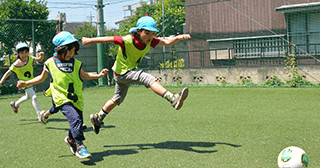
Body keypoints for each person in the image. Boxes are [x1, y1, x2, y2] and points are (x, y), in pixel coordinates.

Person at [82, 15, 191, 135]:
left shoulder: (151, 41)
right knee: (148, 78)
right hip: (123, 72)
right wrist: (89, 40)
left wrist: (180, 37)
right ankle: (173, 98)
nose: (150, 36)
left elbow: (167, 42)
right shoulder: (127, 40)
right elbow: (107, 39)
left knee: (117, 99)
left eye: (153, 33)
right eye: (147, 33)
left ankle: (98, 118)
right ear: (139, 31)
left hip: (123, 74)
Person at [17, 31, 108, 159]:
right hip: (61, 97)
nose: (71, 54)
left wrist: (98, 75)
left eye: (73, 51)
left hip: (75, 97)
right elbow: (41, 78)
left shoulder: (75, 63)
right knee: (75, 120)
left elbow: (84, 75)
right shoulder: (50, 63)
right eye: (69, 51)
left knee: (78, 122)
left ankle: (71, 139)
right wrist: (25, 82)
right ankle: (80, 146)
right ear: (60, 49)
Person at [0, 42, 45, 120]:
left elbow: (39, 60)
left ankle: (15, 104)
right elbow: (7, 73)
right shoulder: (16, 64)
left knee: (28, 97)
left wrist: (41, 56)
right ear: (18, 54)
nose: (24, 55)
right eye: (22, 53)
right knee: (34, 97)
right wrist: (0, 82)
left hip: (31, 81)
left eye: (26, 52)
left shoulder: (30, 58)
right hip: (24, 83)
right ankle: (39, 115)